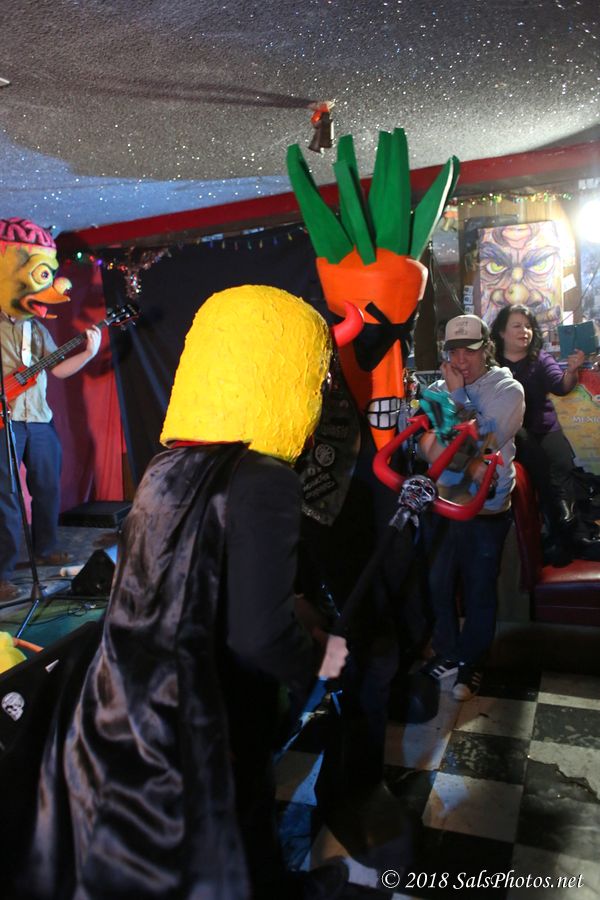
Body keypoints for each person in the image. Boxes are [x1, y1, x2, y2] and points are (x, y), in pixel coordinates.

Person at [8, 285, 349, 900]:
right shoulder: (265, 479)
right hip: (211, 697)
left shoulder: (165, 466)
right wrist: (318, 664)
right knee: (236, 810)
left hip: (132, 694)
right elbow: (258, 635)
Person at [418, 314, 524, 701]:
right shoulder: (436, 387)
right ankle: (448, 652)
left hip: (486, 507)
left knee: (480, 586)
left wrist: (457, 399)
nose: (461, 360)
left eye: (470, 351)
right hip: (444, 500)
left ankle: (472, 661)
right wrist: (466, 460)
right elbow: (424, 448)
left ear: (486, 350)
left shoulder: (507, 389)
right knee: (438, 581)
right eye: (454, 352)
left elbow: (484, 441)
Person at [0, 217, 101, 603]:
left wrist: (88, 353)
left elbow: (56, 370)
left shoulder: (37, 329)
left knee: (46, 485)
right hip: (5, 421)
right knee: (6, 496)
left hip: (39, 418)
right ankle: (3, 572)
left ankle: (45, 548)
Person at [491, 303, 600, 561]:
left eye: (528, 326)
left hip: (544, 430)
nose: (525, 331)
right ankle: (557, 533)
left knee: (559, 470)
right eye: (517, 326)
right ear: (502, 332)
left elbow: (561, 386)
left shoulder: (540, 359)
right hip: (509, 435)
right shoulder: (491, 363)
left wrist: (571, 371)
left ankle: (567, 532)